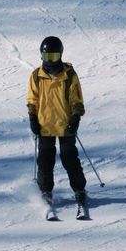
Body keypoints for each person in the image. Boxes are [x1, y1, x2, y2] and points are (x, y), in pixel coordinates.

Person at [27, 36, 86, 206]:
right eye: (47, 57)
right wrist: (32, 117)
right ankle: (45, 191)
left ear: (61, 55)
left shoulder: (69, 75)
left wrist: (75, 117)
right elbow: (32, 100)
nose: (50, 61)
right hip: (45, 126)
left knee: (70, 159)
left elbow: (77, 100)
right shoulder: (36, 75)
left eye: (53, 57)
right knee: (45, 161)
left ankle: (79, 189)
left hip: (65, 125)